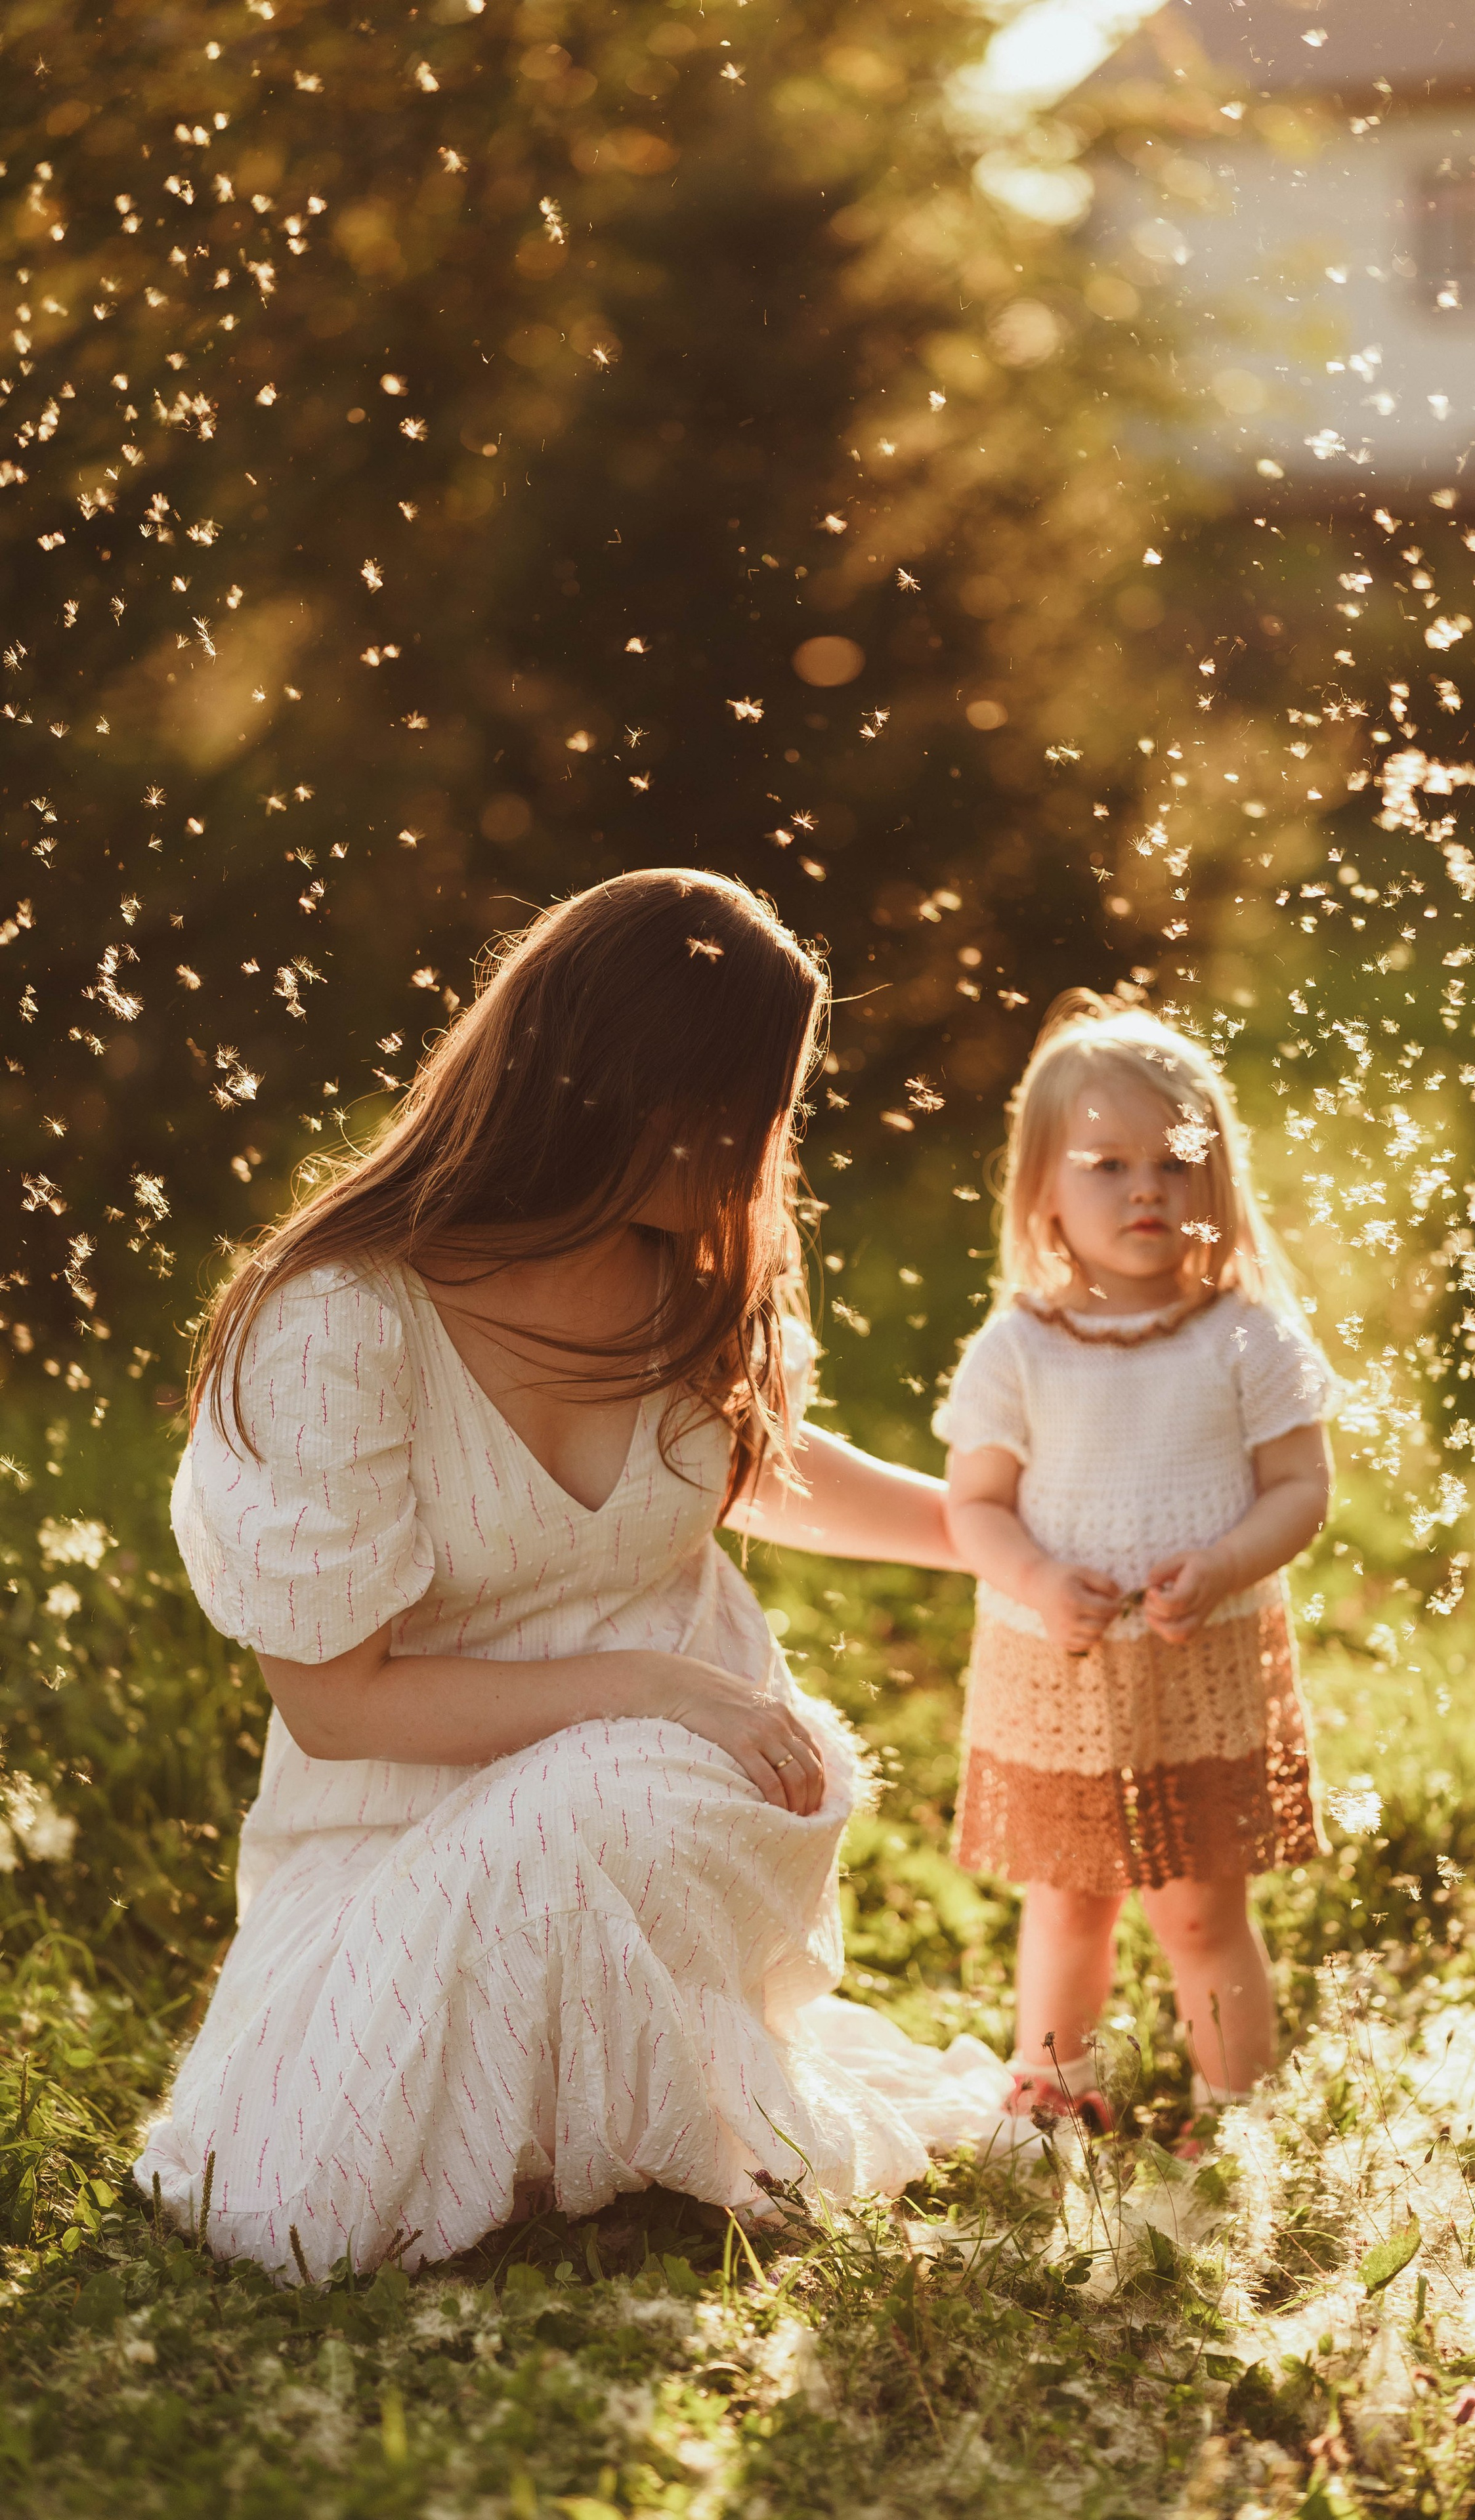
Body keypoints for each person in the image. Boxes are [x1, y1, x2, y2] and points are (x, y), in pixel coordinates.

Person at [136, 869, 1009, 2277]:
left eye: (771, 1113)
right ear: (623, 1087)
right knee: (301, 2201)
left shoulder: (680, 1269)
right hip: (397, 1849)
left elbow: (756, 1460)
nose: (763, 1149)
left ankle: (591, 2135)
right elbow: (336, 1708)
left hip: (667, 1808)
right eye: (744, 1110)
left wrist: (989, 1535)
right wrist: (661, 1689)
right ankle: (544, 2125)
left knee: (659, 1783)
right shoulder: (336, 1323)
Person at [937, 992, 1335, 2132]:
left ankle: (1240, 2113)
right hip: (1058, 1670)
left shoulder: (1245, 1335)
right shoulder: (1017, 1349)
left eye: (1175, 1162)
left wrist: (1222, 1563)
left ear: (1220, 1179)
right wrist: (1036, 1579)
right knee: (1069, 1903)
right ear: (1044, 1193)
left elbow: (1302, 1489)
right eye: (1106, 1165)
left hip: (1200, 1664)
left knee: (1204, 1912)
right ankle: (1053, 2097)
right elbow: (977, 1505)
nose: (1146, 1188)